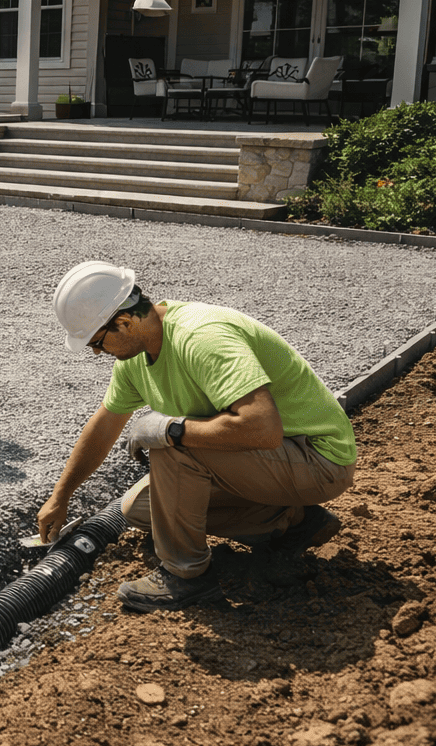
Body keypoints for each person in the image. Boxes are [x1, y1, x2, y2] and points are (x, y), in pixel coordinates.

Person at [36, 261, 357, 612]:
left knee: (172, 445)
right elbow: (104, 427)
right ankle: (293, 522)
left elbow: (263, 428)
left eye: (97, 342)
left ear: (124, 322)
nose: (98, 352)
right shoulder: (134, 360)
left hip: (317, 458)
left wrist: (171, 430)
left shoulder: (201, 338)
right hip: (275, 462)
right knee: (139, 509)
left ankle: (186, 576)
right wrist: (61, 495)